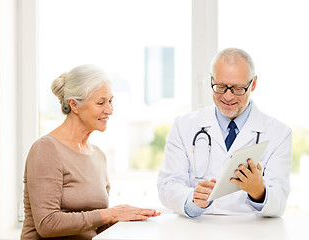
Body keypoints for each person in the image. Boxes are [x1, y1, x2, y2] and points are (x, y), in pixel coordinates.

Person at [21, 65, 160, 239]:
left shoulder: (98, 155)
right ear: (74, 105)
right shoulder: (47, 149)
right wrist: (110, 214)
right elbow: (47, 224)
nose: (109, 110)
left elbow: (93, 225)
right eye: (100, 103)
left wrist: (127, 217)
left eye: (110, 101)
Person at [157, 48, 292, 218]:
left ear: (253, 84)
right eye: (220, 87)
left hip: (251, 232)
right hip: (197, 230)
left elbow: (279, 201)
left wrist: (259, 192)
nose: (228, 97)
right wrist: (192, 199)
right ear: (211, 80)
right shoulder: (183, 126)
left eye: (237, 89)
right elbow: (167, 185)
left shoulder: (278, 133)